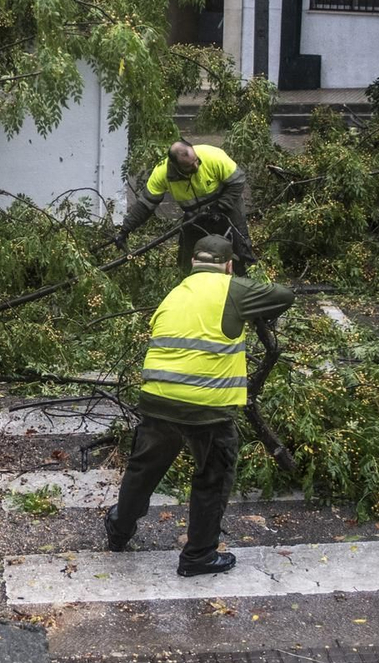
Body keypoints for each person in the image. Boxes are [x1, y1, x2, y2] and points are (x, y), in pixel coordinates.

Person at [104, 235, 295, 576]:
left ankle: (119, 530)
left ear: (192, 262)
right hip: (208, 408)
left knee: (143, 470)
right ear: (229, 266)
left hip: (158, 399)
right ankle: (199, 556)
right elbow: (284, 295)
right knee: (212, 478)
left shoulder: (175, 294)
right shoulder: (233, 289)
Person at [116, 140, 254, 268]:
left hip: (227, 208)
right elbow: (145, 206)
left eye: (196, 161)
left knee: (242, 250)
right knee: (186, 257)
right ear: (175, 165)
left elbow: (238, 180)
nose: (195, 166)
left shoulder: (212, 156)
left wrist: (220, 206)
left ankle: (253, 282)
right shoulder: (161, 174)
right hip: (195, 216)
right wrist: (125, 230)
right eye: (188, 166)